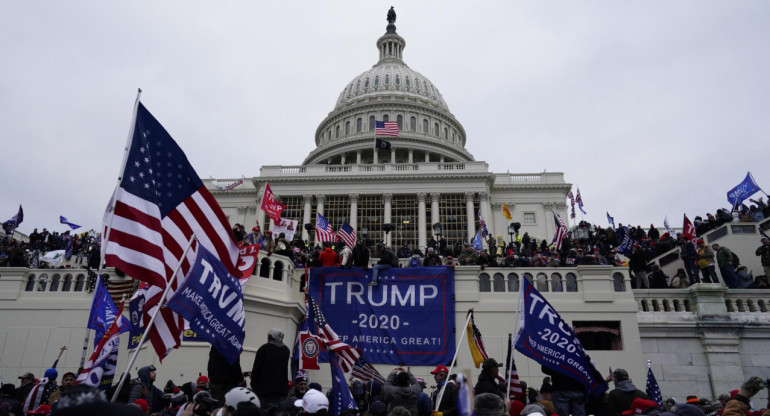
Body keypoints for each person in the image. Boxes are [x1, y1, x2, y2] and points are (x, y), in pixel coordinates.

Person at [250, 328, 290, 410]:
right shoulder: (286, 350)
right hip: (281, 391)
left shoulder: (264, 349)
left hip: (264, 391)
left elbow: (256, 369)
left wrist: (253, 385)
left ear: (271, 337)